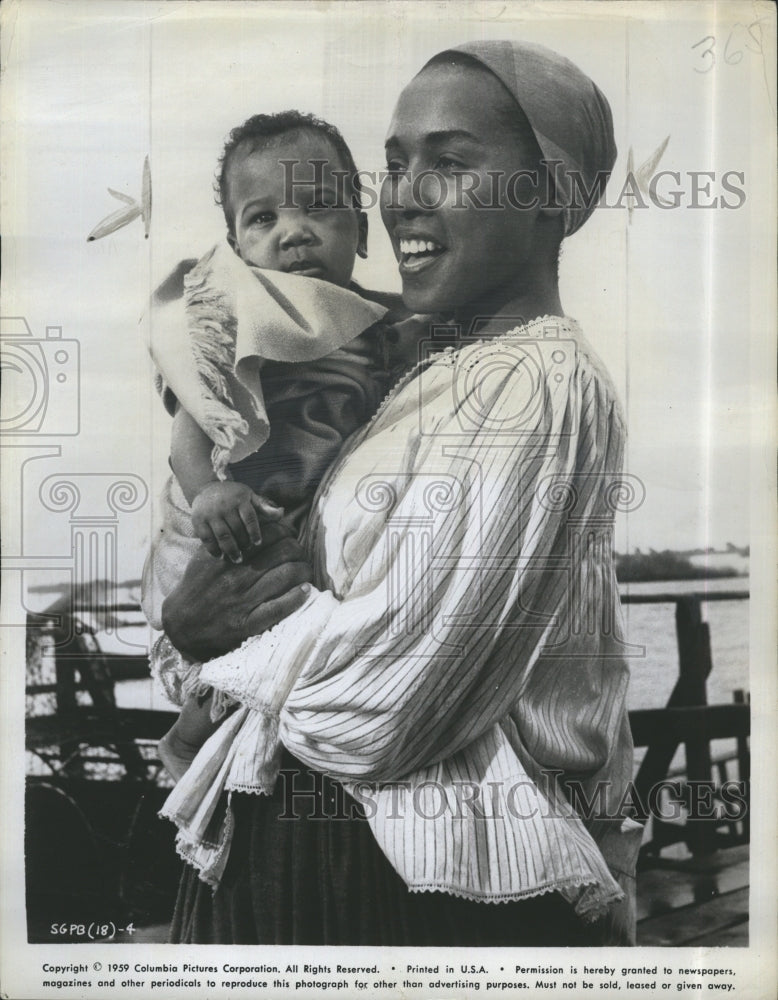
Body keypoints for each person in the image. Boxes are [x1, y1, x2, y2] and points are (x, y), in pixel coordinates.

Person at [153, 39, 643, 946]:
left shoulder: (535, 384)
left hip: (392, 885)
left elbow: (383, 710)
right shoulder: (416, 373)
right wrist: (196, 627)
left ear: (552, 193)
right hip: (294, 854)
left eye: (451, 163)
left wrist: (207, 643)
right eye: (394, 163)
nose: (404, 195)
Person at [142, 111, 415, 779]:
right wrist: (210, 492)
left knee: (296, 640)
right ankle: (187, 738)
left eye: (320, 208)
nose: (293, 232)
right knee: (256, 622)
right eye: (262, 219)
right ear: (236, 245)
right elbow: (192, 428)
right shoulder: (237, 319)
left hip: (309, 511)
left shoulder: (385, 320)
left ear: (361, 227)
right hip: (239, 511)